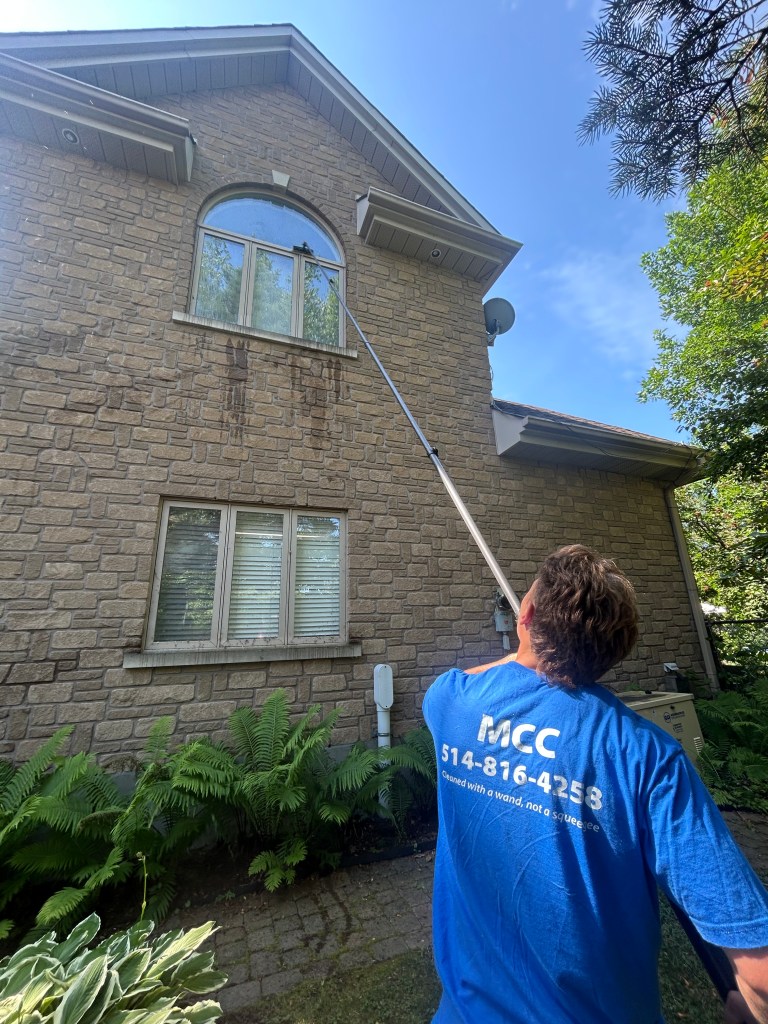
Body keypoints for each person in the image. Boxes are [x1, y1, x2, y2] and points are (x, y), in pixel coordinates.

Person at [422, 544, 768, 1024]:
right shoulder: (647, 754)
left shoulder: (451, 703)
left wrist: (526, 648)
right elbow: (760, 975)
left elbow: (475, 674)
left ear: (527, 615)